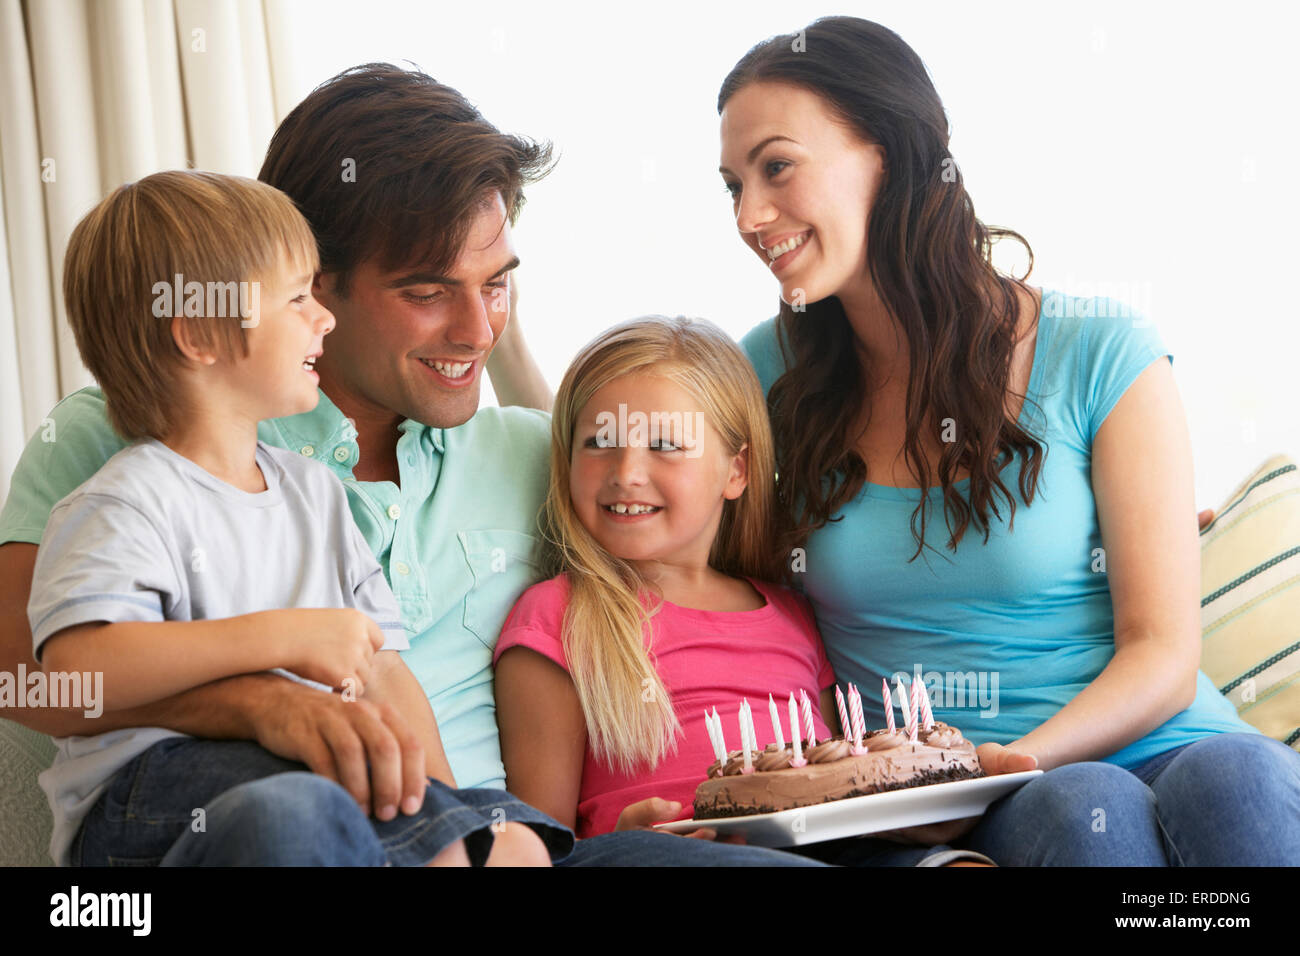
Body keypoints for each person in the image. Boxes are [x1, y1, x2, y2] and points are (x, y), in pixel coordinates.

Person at [0, 64, 813, 866]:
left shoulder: (534, 454)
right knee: (296, 817)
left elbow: (684, 513)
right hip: (252, 813)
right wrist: (259, 703)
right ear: (317, 286)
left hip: (471, 824)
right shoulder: (119, 438)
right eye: (427, 292)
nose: (474, 330)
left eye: (495, 285)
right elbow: (27, 679)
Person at [718, 16, 1300, 864]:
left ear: (890, 149)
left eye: (776, 167)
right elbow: (616, 463)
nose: (748, 214)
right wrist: (493, 330)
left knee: (1243, 783)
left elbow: (1163, 653)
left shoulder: (1101, 348)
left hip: (1159, 742)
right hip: (939, 799)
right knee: (1083, 807)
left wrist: (1013, 763)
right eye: (731, 185)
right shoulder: (765, 375)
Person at [24, 169, 568, 867]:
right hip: (154, 796)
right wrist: (279, 639)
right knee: (311, 798)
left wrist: (444, 810)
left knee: (470, 827)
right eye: (296, 300)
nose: (324, 317)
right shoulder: (123, 502)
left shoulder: (313, 494)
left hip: (305, 773)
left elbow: (384, 673)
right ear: (198, 333)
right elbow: (76, 669)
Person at [494, 315, 992, 866]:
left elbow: (828, 779)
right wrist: (615, 838)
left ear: (737, 471)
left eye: (664, 444)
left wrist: (905, 817)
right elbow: (538, 846)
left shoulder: (791, 613)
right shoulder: (557, 616)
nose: (626, 472)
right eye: (599, 442)